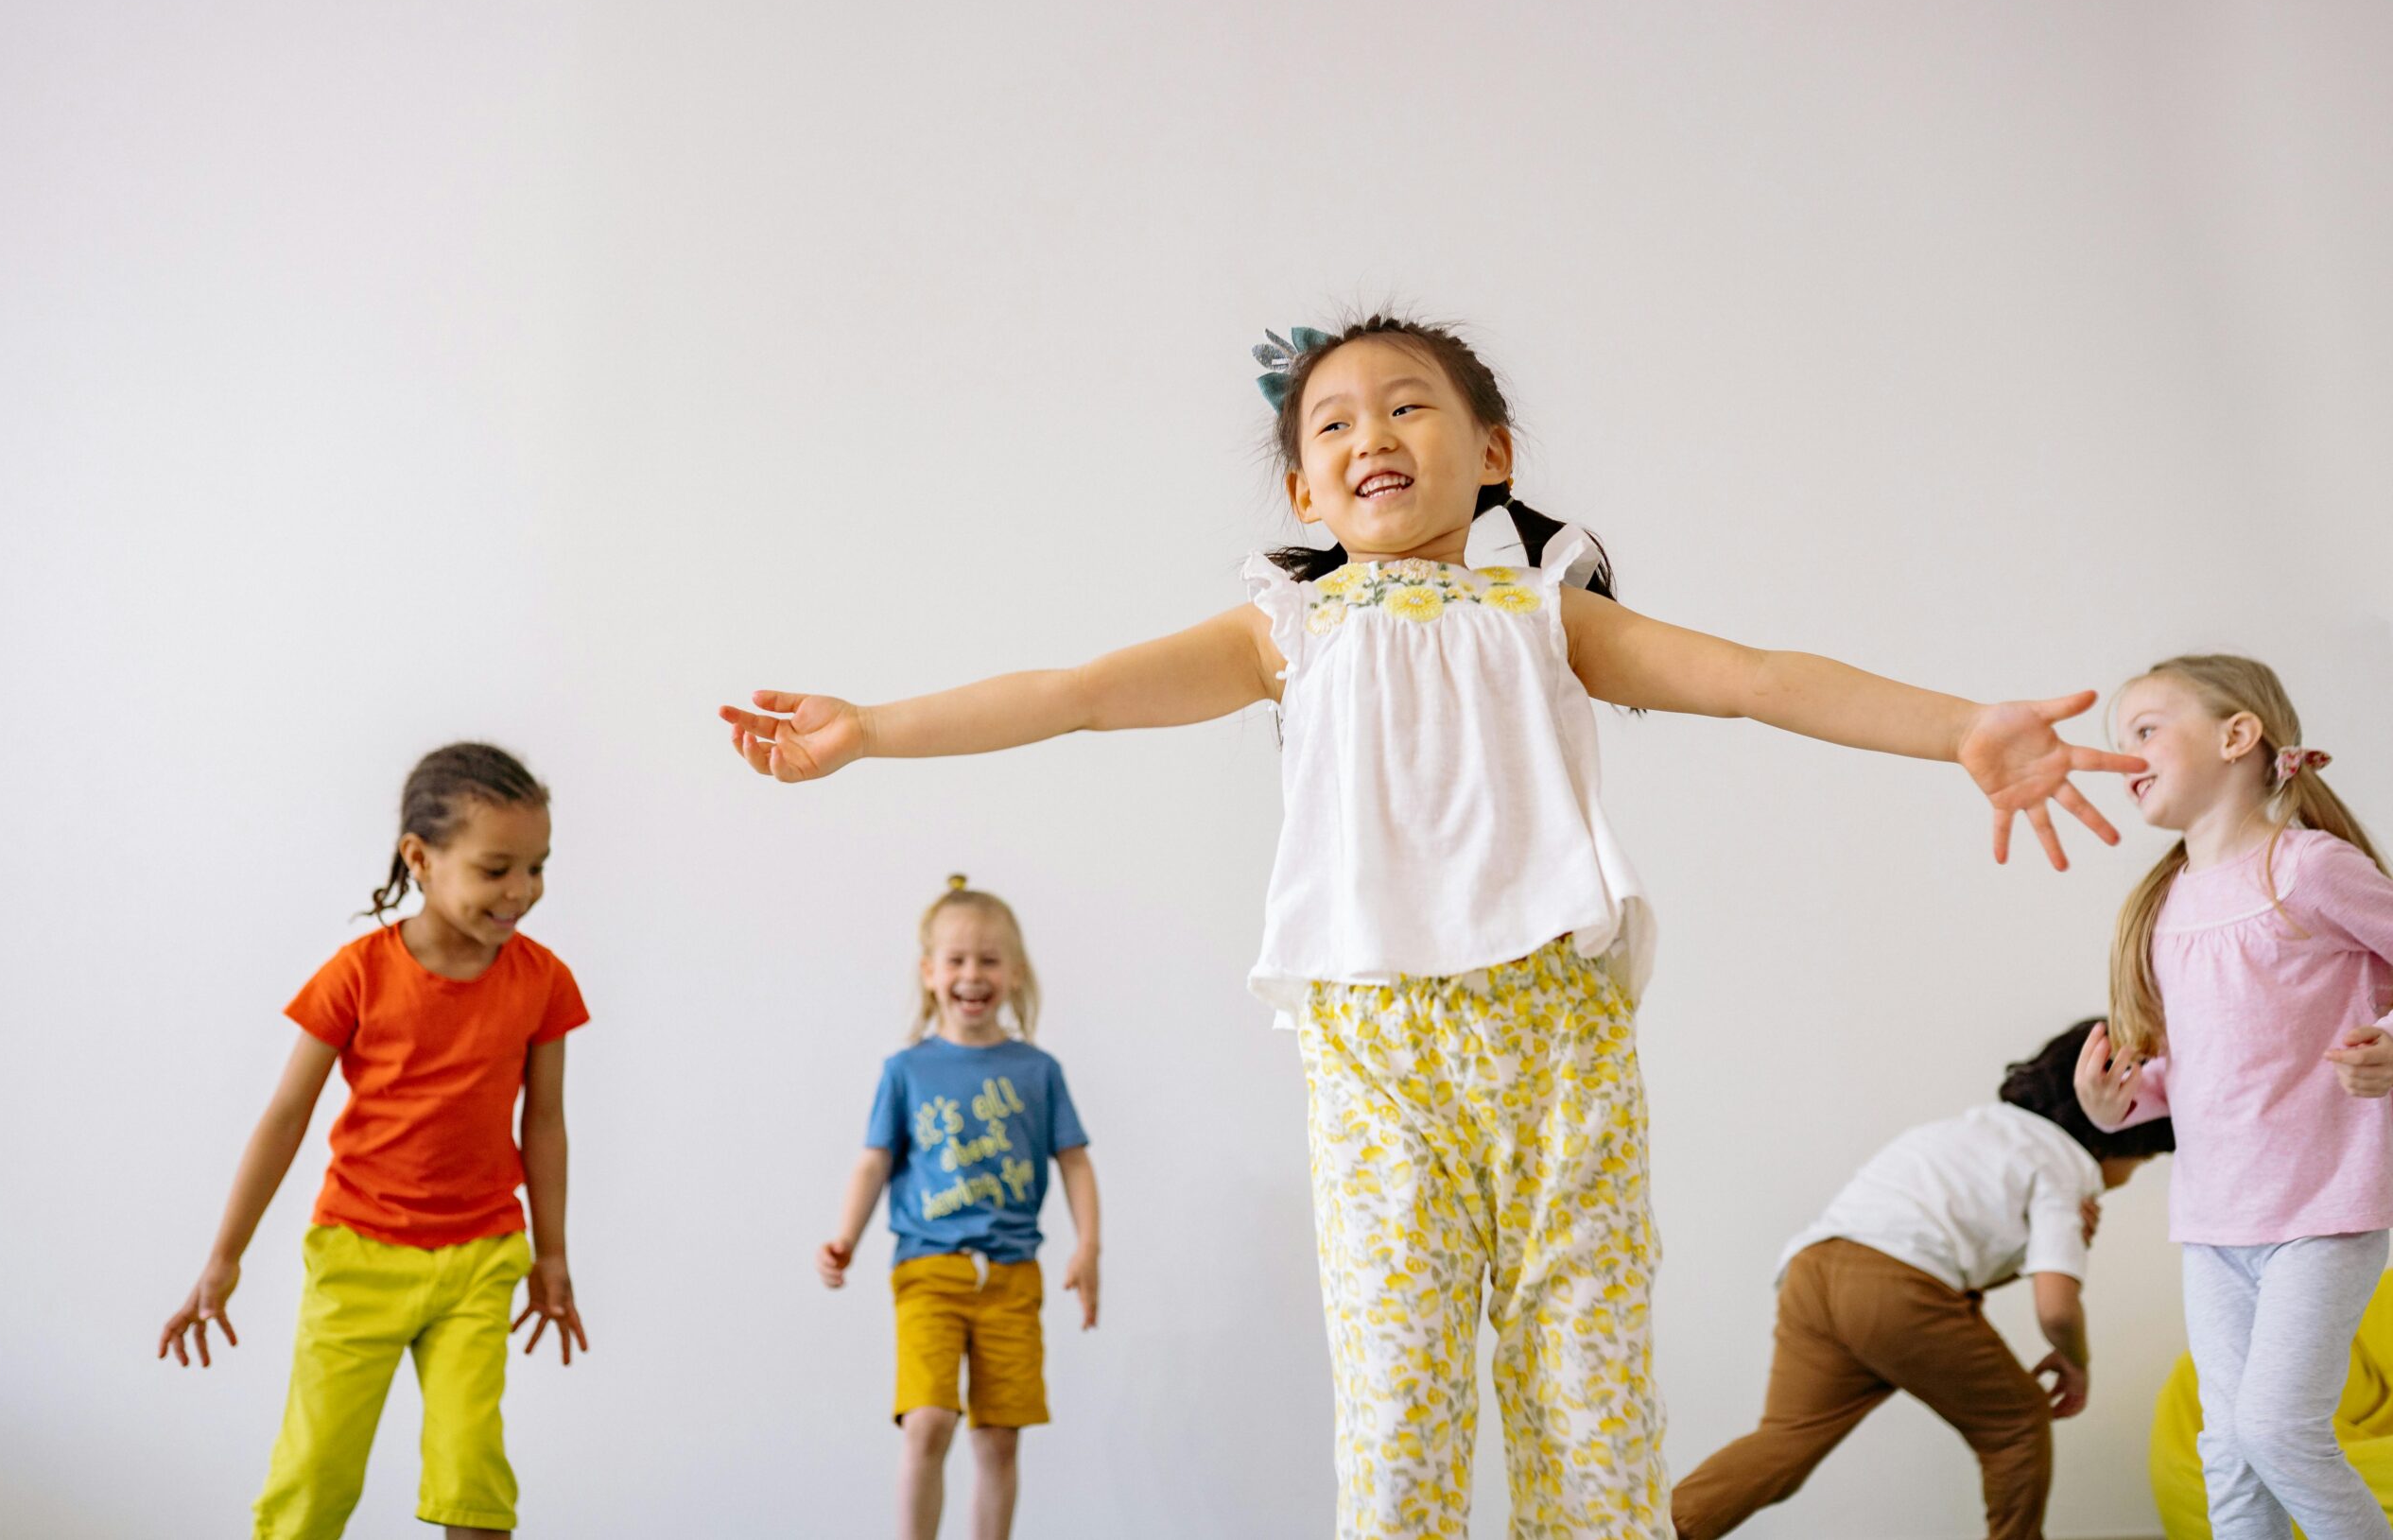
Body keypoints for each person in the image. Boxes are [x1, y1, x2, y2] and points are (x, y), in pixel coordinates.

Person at [722, 312, 2142, 1537]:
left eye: (1409, 404)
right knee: (1399, 1411)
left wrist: (1961, 725)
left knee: (1590, 1412)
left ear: (1494, 449)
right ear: (1303, 482)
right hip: (1379, 1054)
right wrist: (874, 731)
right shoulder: (1289, 628)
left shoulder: (1547, 609)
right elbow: (1079, 689)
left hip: (1558, 1045)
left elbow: (1757, 677)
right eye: (1333, 421)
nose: (1372, 433)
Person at [158, 743, 590, 1540]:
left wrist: (552, 1255)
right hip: (358, 1253)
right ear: (420, 859)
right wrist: (224, 1256)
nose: (522, 891)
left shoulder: (545, 979)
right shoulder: (357, 974)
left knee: (474, 1479)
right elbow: (285, 1116)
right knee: (314, 1477)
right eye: (497, 868)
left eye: (537, 866)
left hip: (480, 1257)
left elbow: (546, 1120)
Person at [2077, 654, 2393, 1538]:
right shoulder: (2164, 905)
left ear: (2237, 735)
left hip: (2321, 1211)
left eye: (2143, 730)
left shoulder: (2310, 869)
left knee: (2277, 1430)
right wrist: (2117, 1107)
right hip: (2215, 1223)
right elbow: (2199, 1071)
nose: (2125, 756)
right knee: (2227, 1449)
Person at [1671, 1019, 2175, 1539]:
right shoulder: (2065, 1169)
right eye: (2146, 1159)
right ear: (2124, 1132)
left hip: (1812, 1270)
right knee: (2018, 1422)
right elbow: (2056, 1308)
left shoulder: (1978, 1128)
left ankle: (1641, 1531)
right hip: (1894, 1287)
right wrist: (2076, 1362)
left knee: (1786, 1440)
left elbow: (1951, 1242)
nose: (2133, 1176)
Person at [818, 877, 1098, 1540]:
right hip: (928, 1272)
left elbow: (1075, 1161)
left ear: (1015, 973)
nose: (973, 975)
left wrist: (1088, 1245)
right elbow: (873, 1160)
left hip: (1011, 1277)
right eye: (958, 960)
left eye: (989, 960)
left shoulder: (1038, 1070)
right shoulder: (907, 1069)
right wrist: (845, 1236)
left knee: (999, 1437)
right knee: (929, 1420)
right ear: (929, 972)